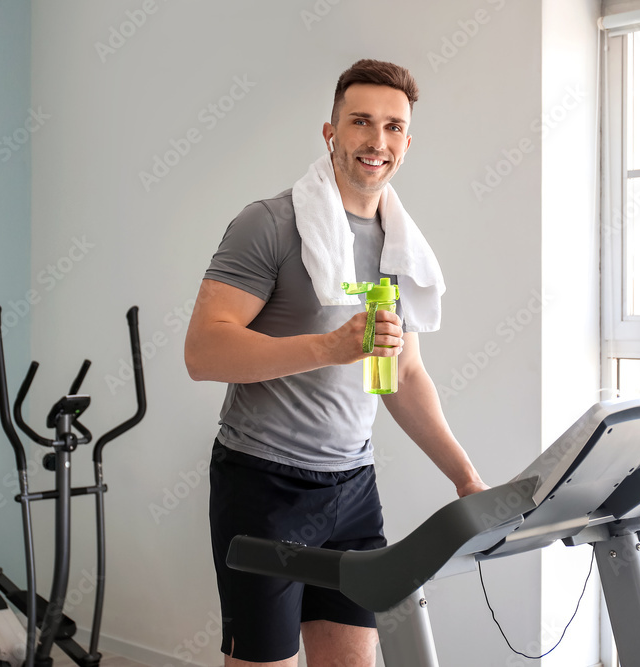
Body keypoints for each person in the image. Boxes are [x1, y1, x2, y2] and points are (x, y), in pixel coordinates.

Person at [184, 59, 488, 667]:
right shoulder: (269, 225)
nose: (378, 141)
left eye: (394, 127)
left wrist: (465, 479)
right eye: (361, 122)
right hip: (262, 483)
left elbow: (402, 374)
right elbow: (203, 351)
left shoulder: (401, 246)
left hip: (352, 488)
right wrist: (329, 346)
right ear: (331, 132)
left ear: (407, 140)